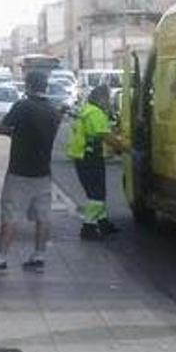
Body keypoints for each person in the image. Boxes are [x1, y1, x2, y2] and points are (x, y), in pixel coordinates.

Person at [0, 70, 60, 275]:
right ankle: (39, 256)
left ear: (28, 85)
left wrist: (2, 131)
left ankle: (0, 258)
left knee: (10, 215)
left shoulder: (23, 106)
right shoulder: (53, 111)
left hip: (20, 172)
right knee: (43, 217)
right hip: (43, 172)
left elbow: (5, 125)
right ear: (45, 86)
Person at [66, 85, 125, 240]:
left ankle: (103, 222)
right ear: (100, 99)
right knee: (96, 194)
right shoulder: (95, 113)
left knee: (99, 192)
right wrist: (125, 149)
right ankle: (89, 227)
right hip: (89, 157)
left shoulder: (87, 110)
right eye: (107, 99)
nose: (109, 102)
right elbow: (105, 135)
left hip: (85, 156)